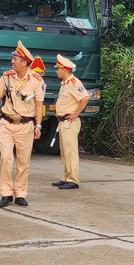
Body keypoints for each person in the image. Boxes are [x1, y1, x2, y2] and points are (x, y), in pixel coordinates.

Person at [0, 40, 46, 208]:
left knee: (23, 163)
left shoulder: (36, 80)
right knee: (6, 158)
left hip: (26, 126)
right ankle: (6, 193)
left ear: (24, 62)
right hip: (6, 123)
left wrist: (38, 125)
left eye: (15, 59)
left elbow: (39, 105)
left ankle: (20, 194)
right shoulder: (7, 77)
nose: (12, 61)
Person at [51, 54, 90, 190]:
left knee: (70, 152)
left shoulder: (74, 83)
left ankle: (73, 179)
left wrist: (76, 113)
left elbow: (85, 98)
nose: (56, 71)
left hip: (70, 122)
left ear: (65, 70)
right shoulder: (65, 83)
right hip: (63, 121)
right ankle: (66, 177)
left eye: (58, 69)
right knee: (64, 152)